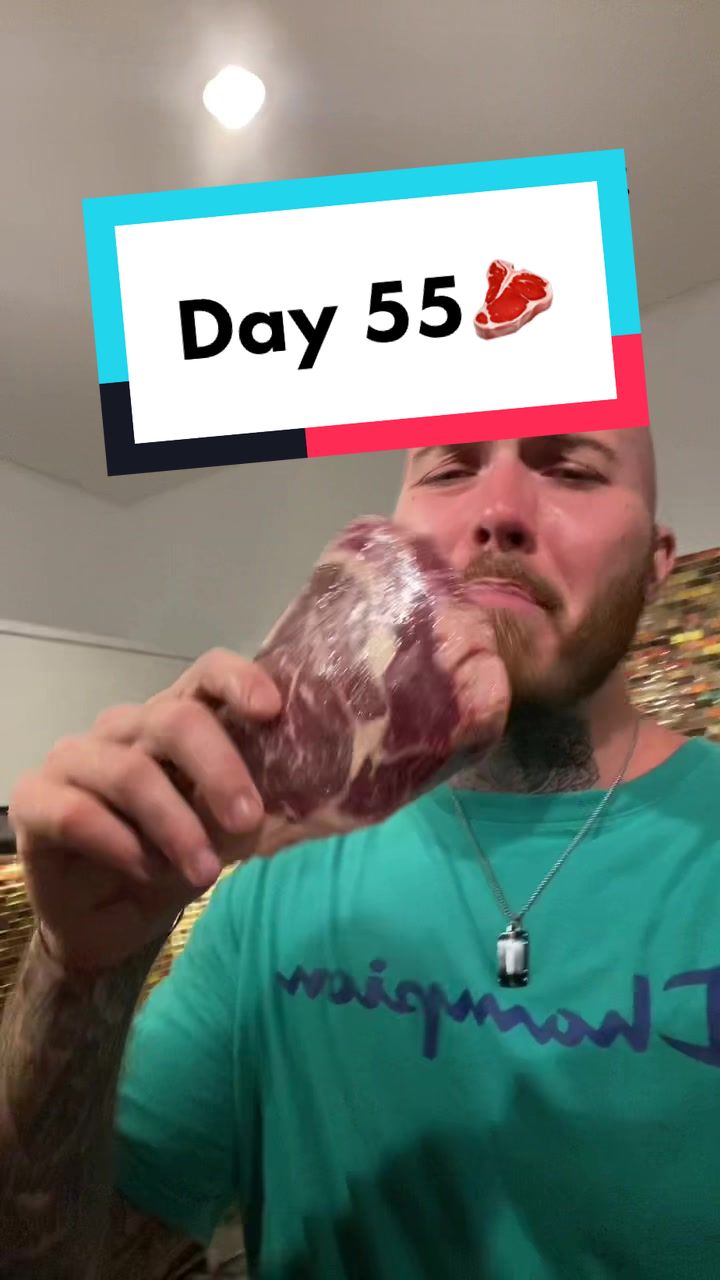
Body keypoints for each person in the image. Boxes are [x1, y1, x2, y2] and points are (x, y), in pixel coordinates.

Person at [1, 427, 719, 1279]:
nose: (498, 511)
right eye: (450, 467)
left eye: (569, 469)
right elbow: (66, 1259)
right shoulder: (276, 871)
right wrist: (80, 970)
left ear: (657, 562)